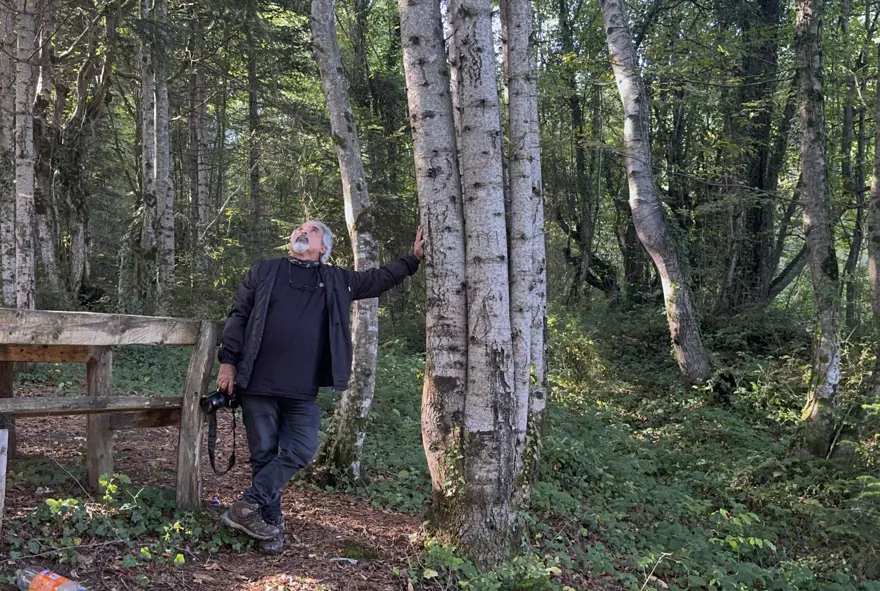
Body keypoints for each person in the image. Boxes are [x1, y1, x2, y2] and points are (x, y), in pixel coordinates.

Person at [216, 221, 424, 554]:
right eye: (299, 228)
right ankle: (270, 530)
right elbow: (238, 315)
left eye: (312, 230)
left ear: (323, 248)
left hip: (301, 392)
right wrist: (227, 362)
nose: (302, 231)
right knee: (264, 455)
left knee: (302, 448)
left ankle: (247, 505)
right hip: (257, 384)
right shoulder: (265, 271)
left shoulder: (336, 280)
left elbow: (378, 278)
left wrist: (412, 259)